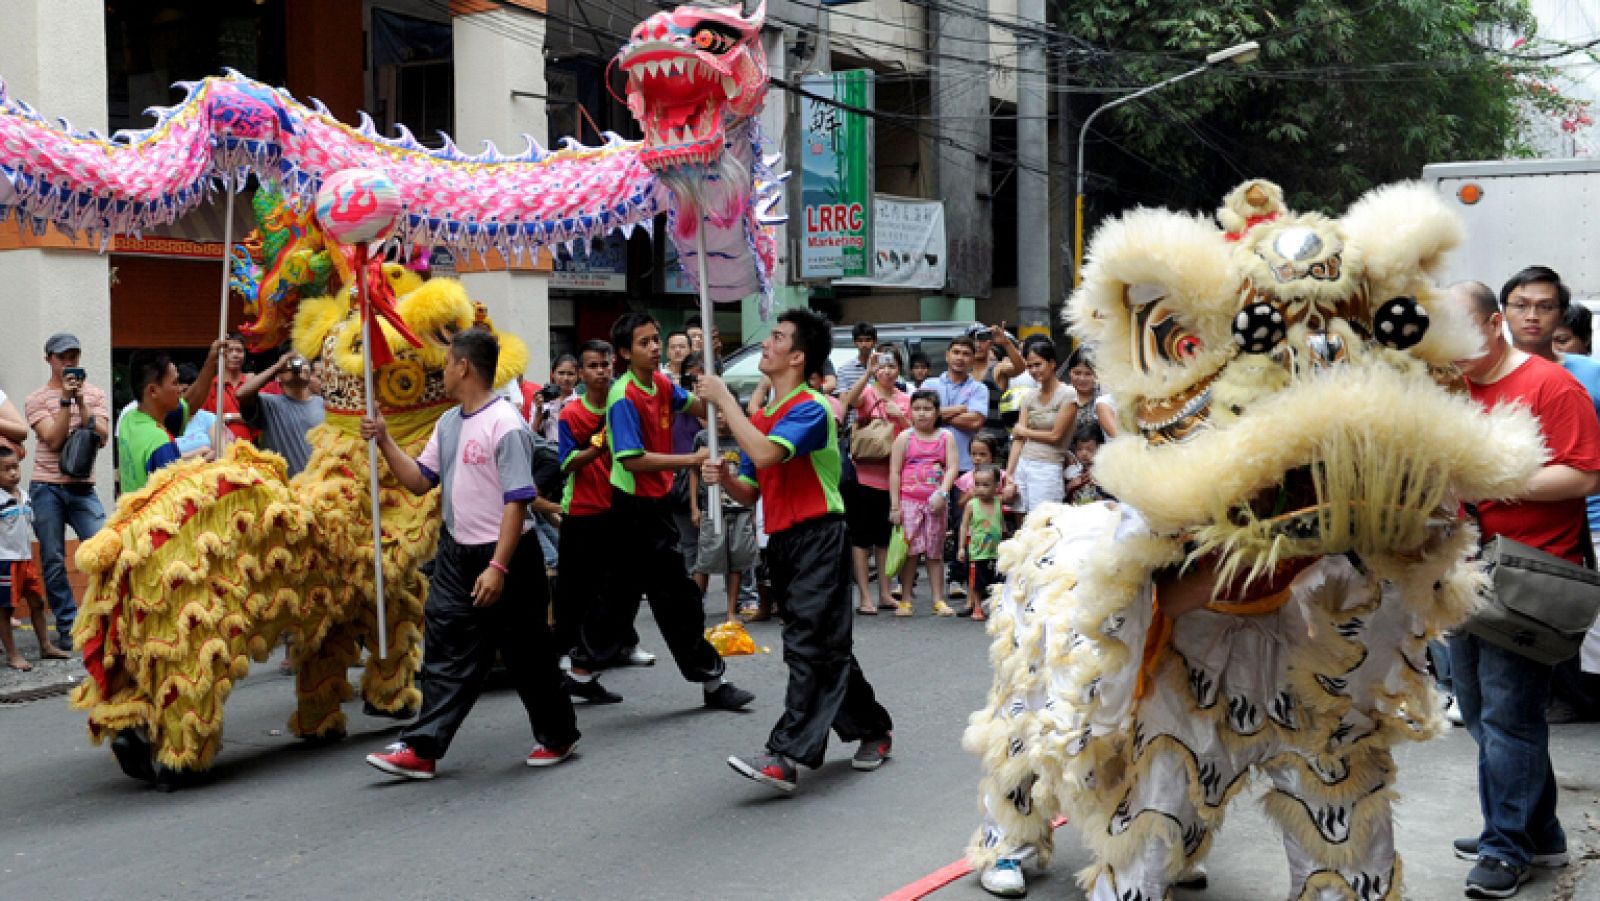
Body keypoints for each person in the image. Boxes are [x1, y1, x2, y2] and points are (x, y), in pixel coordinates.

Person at [361, 327, 580, 780]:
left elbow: (517, 502)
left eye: (446, 363)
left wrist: (498, 567)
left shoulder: (506, 424)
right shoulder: (449, 422)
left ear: (463, 366)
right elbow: (420, 480)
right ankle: (422, 748)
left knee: (528, 655)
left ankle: (558, 735)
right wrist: (383, 440)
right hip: (455, 553)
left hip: (508, 558)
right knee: (444, 645)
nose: (442, 371)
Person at [696, 308, 895, 793]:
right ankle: (872, 728)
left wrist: (725, 399)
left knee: (808, 645)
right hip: (783, 542)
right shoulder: (764, 416)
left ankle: (786, 754)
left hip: (819, 536)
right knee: (824, 646)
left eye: (778, 337)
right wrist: (726, 478)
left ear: (798, 357)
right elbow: (752, 489)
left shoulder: (812, 408)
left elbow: (767, 453)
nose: (766, 344)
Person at [1446, 281, 1600, 897]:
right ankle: (1541, 832)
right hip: (1463, 571)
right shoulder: (1453, 387)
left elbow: (1584, 475)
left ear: (1493, 325)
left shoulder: (1550, 385)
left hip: (1527, 579)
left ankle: (1505, 847)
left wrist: (1491, 481)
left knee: (1510, 719)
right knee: (1478, 712)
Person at [567, 311, 755, 712]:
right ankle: (713, 681)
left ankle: (580, 672)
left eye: (656, 339)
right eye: (644, 342)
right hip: (633, 511)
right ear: (624, 353)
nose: (654, 347)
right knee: (678, 598)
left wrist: (715, 396)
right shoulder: (623, 397)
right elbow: (632, 459)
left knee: (618, 599)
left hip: (653, 507)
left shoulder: (662, 383)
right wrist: (691, 459)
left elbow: (693, 405)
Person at [1499, 266, 1600, 725]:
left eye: (1545, 306)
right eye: (1521, 306)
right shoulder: (1484, 374)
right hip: (1512, 530)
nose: (1532, 316)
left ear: (1561, 314)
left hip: (1590, 520)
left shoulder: (1588, 374)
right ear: (1502, 313)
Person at [554, 340, 634, 705]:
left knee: (616, 590)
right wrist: (597, 447)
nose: (601, 371)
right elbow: (565, 463)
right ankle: (570, 662)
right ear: (581, 373)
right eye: (593, 366)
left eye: (605, 364)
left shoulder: (623, 405)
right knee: (576, 593)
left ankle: (598, 659)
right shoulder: (571, 414)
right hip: (582, 513)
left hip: (620, 509)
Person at [25, 332, 112, 649]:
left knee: (104, 550)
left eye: (73, 356)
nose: (69, 362)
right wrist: (65, 400)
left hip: (82, 487)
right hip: (46, 487)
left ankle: (105, 620)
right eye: (62, 357)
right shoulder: (36, 400)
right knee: (52, 558)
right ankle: (67, 626)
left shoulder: (96, 394)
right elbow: (53, 440)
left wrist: (81, 402)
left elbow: (101, 436)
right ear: (48, 359)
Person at [841, 346, 911, 614]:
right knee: (860, 540)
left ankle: (884, 592)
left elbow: (914, 433)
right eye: (882, 366)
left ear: (899, 369)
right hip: (862, 476)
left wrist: (899, 415)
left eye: (892, 366)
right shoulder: (868, 392)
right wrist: (867, 373)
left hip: (892, 478)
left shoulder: (905, 398)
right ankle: (864, 597)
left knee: (884, 539)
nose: (887, 372)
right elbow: (849, 401)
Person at [889, 390, 959, 617]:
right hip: (909, 501)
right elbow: (894, 472)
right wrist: (895, 506)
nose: (922, 414)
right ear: (910, 411)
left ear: (937, 413)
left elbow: (952, 467)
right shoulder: (904, 437)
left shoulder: (946, 437)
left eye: (927, 409)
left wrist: (943, 493)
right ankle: (906, 599)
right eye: (917, 408)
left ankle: (938, 600)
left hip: (935, 503)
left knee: (934, 552)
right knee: (910, 552)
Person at [116, 346, 222, 494]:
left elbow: (190, 403)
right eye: (175, 383)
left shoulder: (128, 419)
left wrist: (210, 364)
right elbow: (175, 496)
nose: (180, 389)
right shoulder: (159, 442)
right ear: (153, 391)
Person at [0, 445, 69, 670]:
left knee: (38, 602)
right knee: (6, 609)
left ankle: (46, 646)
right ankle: (12, 654)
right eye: (6, 469)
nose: (13, 473)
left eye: (15, 467)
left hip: (26, 560)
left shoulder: (25, 496)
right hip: (5, 562)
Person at [689, 414, 758, 623]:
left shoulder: (742, 437)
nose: (720, 415)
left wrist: (754, 510)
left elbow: (753, 475)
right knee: (705, 560)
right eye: (716, 411)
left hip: (740, 507)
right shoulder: (703, 438)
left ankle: (731, 612)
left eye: (723, 411)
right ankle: (693, 609)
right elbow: (694, 472)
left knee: (736, 561)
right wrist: (694, 506)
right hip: (712, 508)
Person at [1005, 339, 1074, 514]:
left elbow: (1055, 436)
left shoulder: (1068, 394)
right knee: (1021, 517)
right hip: (1023, 463)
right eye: (1029, 366)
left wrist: (1025, 431)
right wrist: (1009, 474)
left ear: (1052, 363)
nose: (1034, 370)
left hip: (1048, 465)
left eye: (1038, 364)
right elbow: (1018, 439)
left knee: (1044, 519)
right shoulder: (1029, 396)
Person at [235, 351, 324, 478]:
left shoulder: (324, 404)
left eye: (303, 363)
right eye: (288, 365)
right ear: (278, 376)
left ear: (310, 372)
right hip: (284, 486)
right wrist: (278, 366)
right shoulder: (269, 404)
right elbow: (241, 394)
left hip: (320, 485)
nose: (296, 366)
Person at [957, 465, 1004, 621]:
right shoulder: (972, 504)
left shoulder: (998, 502)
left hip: (995, 551)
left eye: (986, 485)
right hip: (978, 552)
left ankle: (996, 606)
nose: (980, 489)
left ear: (996, 486)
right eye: (977, 484)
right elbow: (963, 526)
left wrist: (1005, 538)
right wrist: (961, 547)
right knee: (977, 581)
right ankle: (977, 606)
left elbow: (1000, 523)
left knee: (997, 580)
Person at [1064, 348, 1118, 440]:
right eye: (1077, 373)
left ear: (1098, 374)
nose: (1082, 379)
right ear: (1069, 372)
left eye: (1088, 374)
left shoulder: (1105, 399)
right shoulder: (1063, 396)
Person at [216, 334, 258, 443]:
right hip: (220, 448)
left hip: (250, 447)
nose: (235, 355)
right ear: (222, 354)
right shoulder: (213, 384)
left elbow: (259, 417)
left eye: (239, 350)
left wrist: (229, 416)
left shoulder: (252, 382)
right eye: (230, 350)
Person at [532, 354, 579, 443]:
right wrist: (539, 411)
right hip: (550, 449)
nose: (565, 378)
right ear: (552, 374)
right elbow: (532, 433)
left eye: (570, 374)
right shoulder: (542, 400)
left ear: (578, 376)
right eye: (561, 373)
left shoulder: (581, 402)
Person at [1064, 426, 1108, 505]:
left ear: (1099, 449)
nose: (1084, 454)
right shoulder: (1071, 470)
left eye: (1090, 449)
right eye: (1079, 449)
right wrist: (1070, 486)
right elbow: (1062, 494)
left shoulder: (1103, 470)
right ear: (1074, 449)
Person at [834, 321, 879, 398]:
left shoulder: (884, 367)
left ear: (875, 342)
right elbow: (843, 401)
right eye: (860, 340)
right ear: (855, 343)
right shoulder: (844, 370)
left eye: (868, 340)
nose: (864, 344)